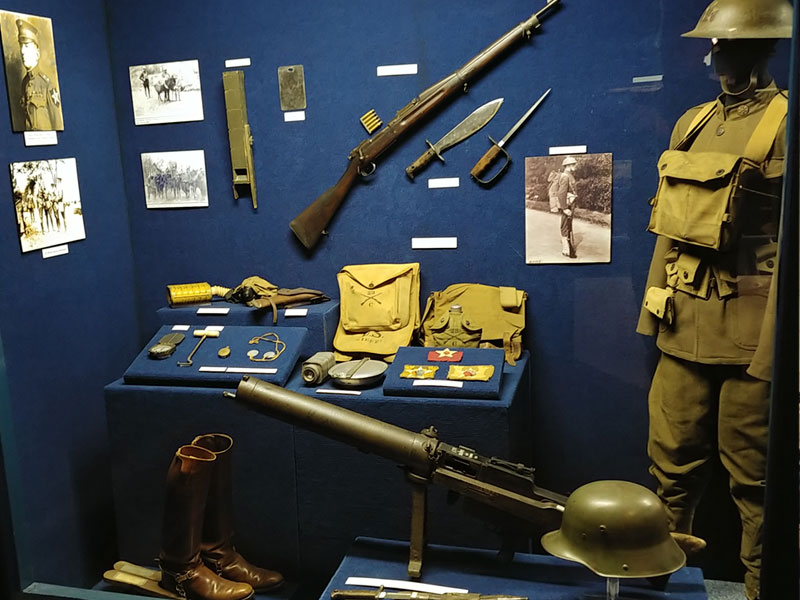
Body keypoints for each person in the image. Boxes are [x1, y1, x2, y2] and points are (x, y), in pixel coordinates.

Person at [636, 1, 792, 599]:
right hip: (685, 323)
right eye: (713, 45)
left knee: (755, 482)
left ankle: (761, 590)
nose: (714, 56)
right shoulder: (691, 124)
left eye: (726, 45)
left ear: (759, 49)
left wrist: (777, 351)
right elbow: (668, 227)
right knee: (668, 465)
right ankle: (658, 584)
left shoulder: (784, 122)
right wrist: (653, 313)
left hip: (753, 333)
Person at [16, 18, 61, 131]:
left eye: (26, 46)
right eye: (21, 46)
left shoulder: (46, 85)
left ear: (37, 53)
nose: (22, 51)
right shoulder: (24, 83)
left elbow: (57, 124)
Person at [549, 156, 578, 258]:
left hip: (570, 204)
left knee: (568, 225)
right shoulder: (565, 176)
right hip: (567, 205)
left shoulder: (569, 175)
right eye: (573, 164)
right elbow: (561, 193)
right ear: (568, 165)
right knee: (565, 225)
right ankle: (567, 250)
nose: (575, 166)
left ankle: (568, 248)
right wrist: (565, 208)